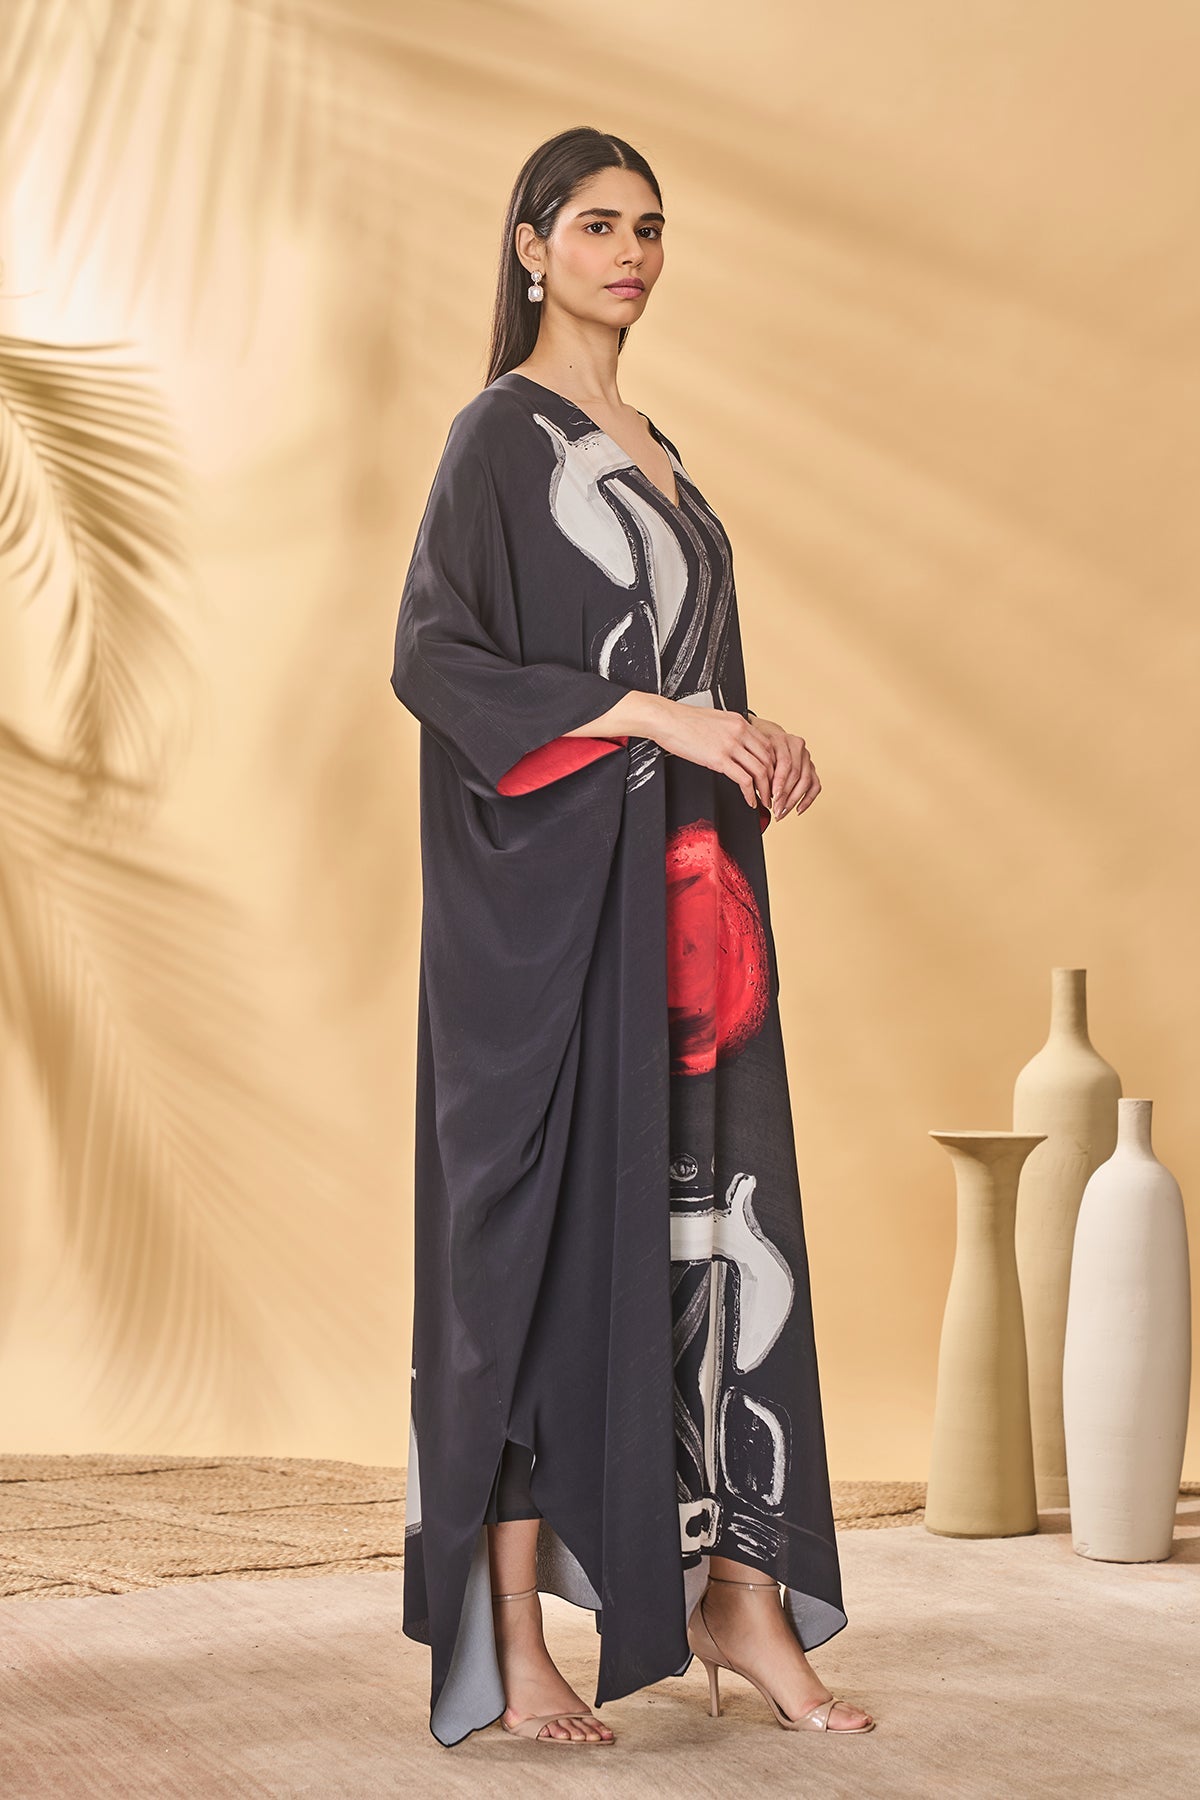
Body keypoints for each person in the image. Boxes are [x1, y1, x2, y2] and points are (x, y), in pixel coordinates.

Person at [390, 125, 875, 1748]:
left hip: (686, 905)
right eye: (598, 225)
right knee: (536, 1249)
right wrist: (665, 717)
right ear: (530, 247)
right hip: (552, 924)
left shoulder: (657, 450)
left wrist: (749, 735)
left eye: (651, 228)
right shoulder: (499, 437)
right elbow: (437, 658)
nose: (632, 254)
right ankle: (515, 1634)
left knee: (716, 1226)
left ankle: (741, 1591)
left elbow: (680, 672)